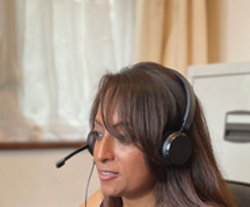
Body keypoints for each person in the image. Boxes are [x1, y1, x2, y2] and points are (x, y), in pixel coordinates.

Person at [80, 62, 237, 207]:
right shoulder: (102, 201)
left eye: (123, 137)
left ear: (172, 148)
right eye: (98, 134)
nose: (100, 154)